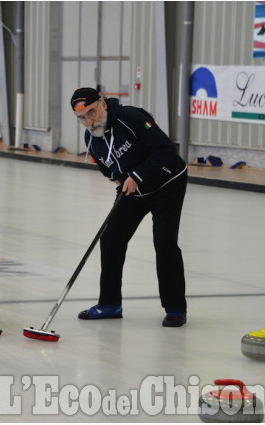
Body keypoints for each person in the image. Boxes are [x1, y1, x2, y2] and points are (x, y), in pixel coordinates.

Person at [70, 87, 188, 327]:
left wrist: (136, 175)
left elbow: (166, 150)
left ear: (102, 102)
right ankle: (110, 304)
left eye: (91, 112)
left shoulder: (131, 118)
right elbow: (108, 170)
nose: (89, 121)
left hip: (168, 183)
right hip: (134, 190)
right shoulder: (91, 138)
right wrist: (122, 179)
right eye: (82, 118)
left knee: (164, 243)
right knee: (111, 238)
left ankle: (175, 309)